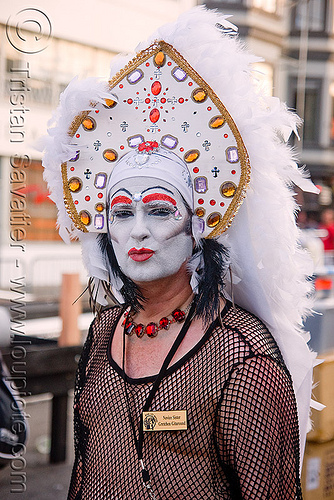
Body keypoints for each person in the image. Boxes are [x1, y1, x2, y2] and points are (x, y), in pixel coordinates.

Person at [43, 7, 319, 499]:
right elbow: (84, 478)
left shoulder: (241, 355)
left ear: (198, 226)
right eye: (122, 213)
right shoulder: (105, 332)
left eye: (159, 211)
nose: (138, 232)